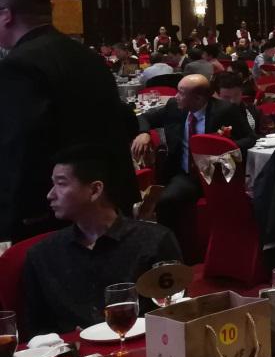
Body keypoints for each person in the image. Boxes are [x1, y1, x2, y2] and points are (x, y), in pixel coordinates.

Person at [0, 0, 139, 240]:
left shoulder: (18, 65)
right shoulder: (89, 57)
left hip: (50, 211)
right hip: (106, 198)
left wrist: (10, 217)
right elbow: (120, 120)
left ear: (7, 15)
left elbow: (20, 149)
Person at [22, 143, 182, 335]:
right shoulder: (42, 256)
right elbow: (35, 332)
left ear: (95, 190)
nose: (50, 195)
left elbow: (175, 314)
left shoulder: (155, 241)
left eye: (61, 184)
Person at [131, 74, 255, 232]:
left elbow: (250, 138)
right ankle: (171, 244)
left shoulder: (224, 110)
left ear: (198, 98)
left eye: (181, 93)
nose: (176, 96)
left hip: (217, 173)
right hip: (188, 174)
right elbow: (143, 118)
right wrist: (144, 133)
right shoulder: (174, 107)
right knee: (166, 201)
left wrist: (223, 148)